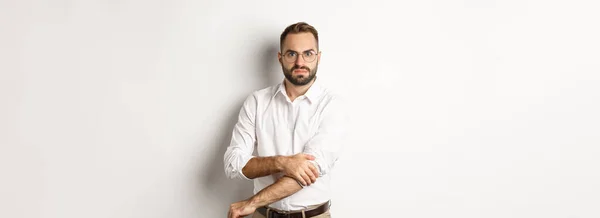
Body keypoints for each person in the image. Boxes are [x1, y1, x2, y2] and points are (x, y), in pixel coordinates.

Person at [223, 22, 347, 218]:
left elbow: (310, 171)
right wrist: (283, 162)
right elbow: (233, 164)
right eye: (291, 54)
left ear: (318, 57)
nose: (300, 62)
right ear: (280, 58)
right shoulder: (257, 102)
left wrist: (251, 202)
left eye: (308, 54)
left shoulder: (332, 106)